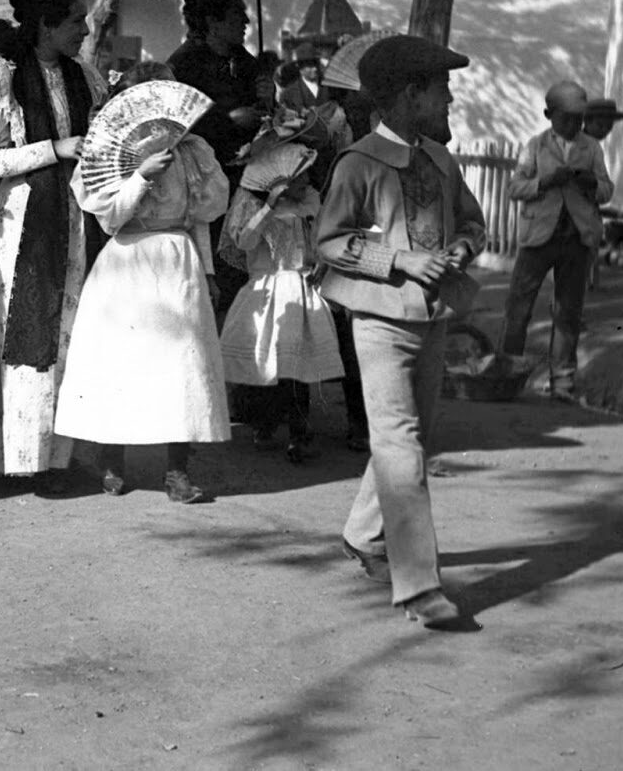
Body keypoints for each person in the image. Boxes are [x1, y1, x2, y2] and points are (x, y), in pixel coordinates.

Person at [315, 34, 486, 629]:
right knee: (400, 444)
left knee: (413, 441)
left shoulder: (441, 160)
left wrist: (460, 249)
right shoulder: (358, 162)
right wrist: (399, 259)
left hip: (432, 318)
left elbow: (472, 223)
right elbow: (330, 242)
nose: (450, 100)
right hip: (380, 322)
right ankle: (419, 587)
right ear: (411, 94)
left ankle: (363, 534)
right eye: (442, 89)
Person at [0, 0, 106, 479]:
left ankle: (68, 455)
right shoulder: (1, 79)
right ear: (46, 25)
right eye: (76, 20)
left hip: (77, 219)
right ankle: (26, 456)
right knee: (27, 332)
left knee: (73, 331)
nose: (85, 29)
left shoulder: (85, 77)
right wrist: (53, 150)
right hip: (23, 224)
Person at [55, 61, 231, 502]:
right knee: (124, 363)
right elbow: (111, 218)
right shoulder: (113, 151)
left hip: (177, 260)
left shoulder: (193, 150)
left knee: (181, 365)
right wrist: (140, 176)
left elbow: (201, 217)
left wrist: (209, 272)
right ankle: (112, 460)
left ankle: (177, 470)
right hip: (128, 259)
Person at [220, 131, 342, 463]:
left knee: (298, 365)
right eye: (301, 176)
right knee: (268, 361)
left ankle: (300, 432)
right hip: (268, 288)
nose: (308, 181)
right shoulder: (254, 205)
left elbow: (320, 237)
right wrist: (269, 208)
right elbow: (244, 242)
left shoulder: (310, 201)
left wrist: (321, 261)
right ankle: (265, 423)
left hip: (302, 286)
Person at [497, 81, 612, 401]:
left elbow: (607, 190)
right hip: (538, 238)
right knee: (519, 309)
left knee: (568, 313)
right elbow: (514, 188)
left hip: (577, 239)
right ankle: (506, 375)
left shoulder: (592, 148)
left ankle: (562, 383)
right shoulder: (535, 146)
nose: (573, 125)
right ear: (549, 115)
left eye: (578, 119)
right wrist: (545, 182)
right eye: (566, 119)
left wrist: (591, 184)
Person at [167, 0, 266, 317]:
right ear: (213, 21)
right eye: (238, 14)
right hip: (205, 186)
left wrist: (267, 97)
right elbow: (177, 122)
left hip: (247, 182)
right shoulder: (183, 65)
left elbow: (263, 116)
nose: (246, 21)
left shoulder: (247, 62)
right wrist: (228, 120)